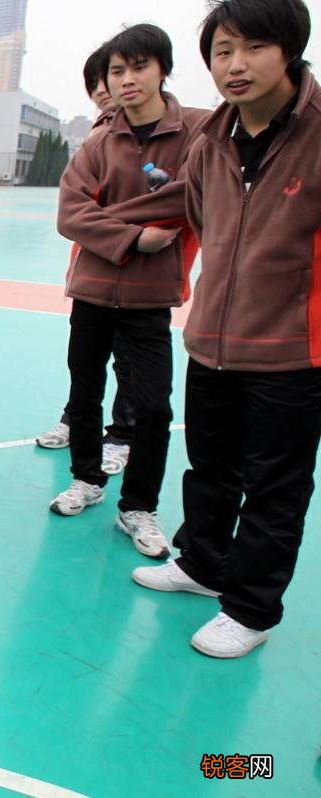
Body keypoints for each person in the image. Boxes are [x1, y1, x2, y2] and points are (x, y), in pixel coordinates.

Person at [133, 0, 319, 658]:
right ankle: (203, 566)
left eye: (253, 48)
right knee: (210, 468)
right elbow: (201, 222)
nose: (234, 66)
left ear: (291, 49)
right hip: (213, 342)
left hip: (294, 353)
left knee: (276, 488)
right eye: (221, 51)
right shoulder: (211, 140)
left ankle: (251, 608)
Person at [52, 24, 209, 560]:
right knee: (84, 394)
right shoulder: (99, 142)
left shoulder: (198, 133)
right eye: (117, 71)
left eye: (138, 67)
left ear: (162, 69)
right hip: (92, 292)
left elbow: (191, 198)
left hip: (150, 300)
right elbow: (69, 214)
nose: (127, 80)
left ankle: (138, 506)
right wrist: (134, 235)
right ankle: (86, 479)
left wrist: (105, 219)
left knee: (154, 408)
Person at [34, 45, 136, 478]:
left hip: (138, 275)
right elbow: (73, 210)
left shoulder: (153, 137)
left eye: (110, 77)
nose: (102, 90)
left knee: (129, 360)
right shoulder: (98, 135)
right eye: (96, 82)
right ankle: (77, 417)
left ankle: (123, 434)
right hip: (92, 270)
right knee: (85, 359)